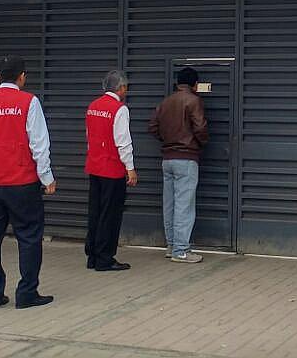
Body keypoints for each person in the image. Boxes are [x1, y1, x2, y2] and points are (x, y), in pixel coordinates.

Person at [0, 55, 56, 310]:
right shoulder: (29, 102)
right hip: (22, 183)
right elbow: (39, 144)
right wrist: (46, 177)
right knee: (28, 237)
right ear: (22, 77)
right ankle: (27, 292)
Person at [148, 67, 208, 263]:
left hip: (167, 158)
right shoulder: (193, 100)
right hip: (186, 158)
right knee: (184, 205)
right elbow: (200, 127)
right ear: (194, 84)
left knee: (170, 203)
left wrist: (167, 139)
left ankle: (172, 245)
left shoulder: (165, 102)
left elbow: (153, 127)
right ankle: (181, 251)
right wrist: (200, 142)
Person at [83, 70, 139, 271]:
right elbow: (123, 142)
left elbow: (90, 136)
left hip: (95, 166)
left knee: (95, 211)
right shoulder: (119, 109)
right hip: (112, 169)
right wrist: (130, 169)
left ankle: (92, 255)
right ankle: (105, 257)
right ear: (121, 87)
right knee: (110, 214)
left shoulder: (93, 106)